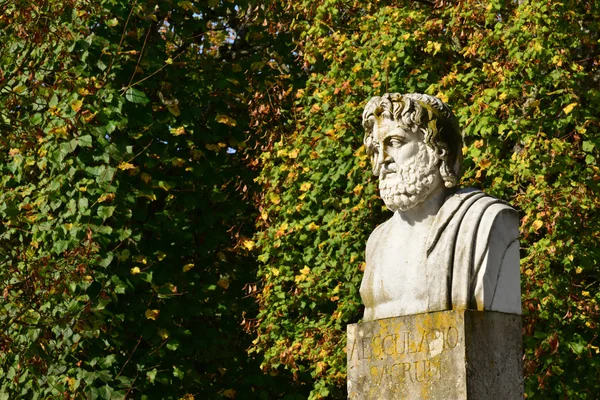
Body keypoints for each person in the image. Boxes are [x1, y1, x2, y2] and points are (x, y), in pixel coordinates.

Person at [360, 93, 521, 321]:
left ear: (437, 148)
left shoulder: (485, 221)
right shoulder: (376, 241)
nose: (382, 159)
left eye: (395, 142)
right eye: (377, 148)